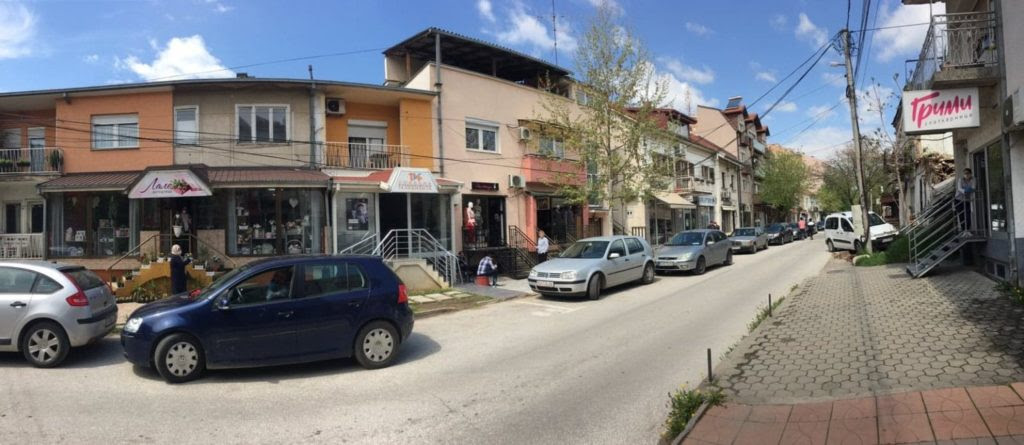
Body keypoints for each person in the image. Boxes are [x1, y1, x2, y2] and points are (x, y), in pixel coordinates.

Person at [955, 168, 975, 232]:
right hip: (958, 199)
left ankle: (968, 229)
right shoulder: (961, 179)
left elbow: (973, 187)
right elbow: (959, 188)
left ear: (970, 174)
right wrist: (965, 190)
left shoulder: (973, 179)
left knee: (968, 215)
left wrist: (969, 190)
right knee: (961, 216)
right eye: (965, 174)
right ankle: (964, 230)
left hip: (967, 200)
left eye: (967, 173)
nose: (966, 175)